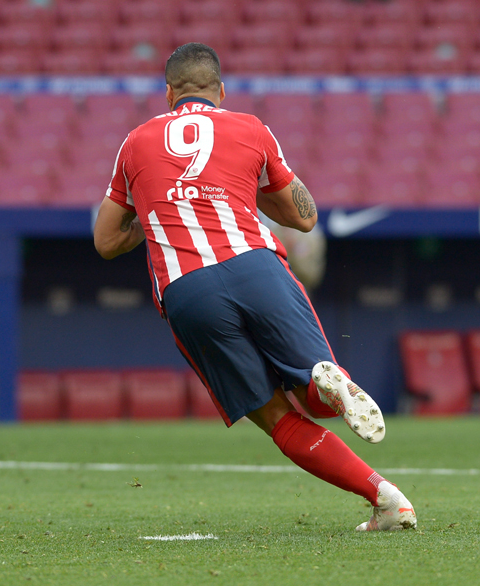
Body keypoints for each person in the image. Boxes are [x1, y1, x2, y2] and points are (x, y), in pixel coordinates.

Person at [93, 43, 415, 532]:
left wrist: (151, 213)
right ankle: (326, 380)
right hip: (255, 265)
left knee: (277, 417)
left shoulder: (135, 141)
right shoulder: (251, 128)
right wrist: (254, 185)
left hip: (186, 288)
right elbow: (304, 218)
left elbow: (107, 240)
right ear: (220, 91)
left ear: (167, 94)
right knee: (309, 391)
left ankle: (386, 499)